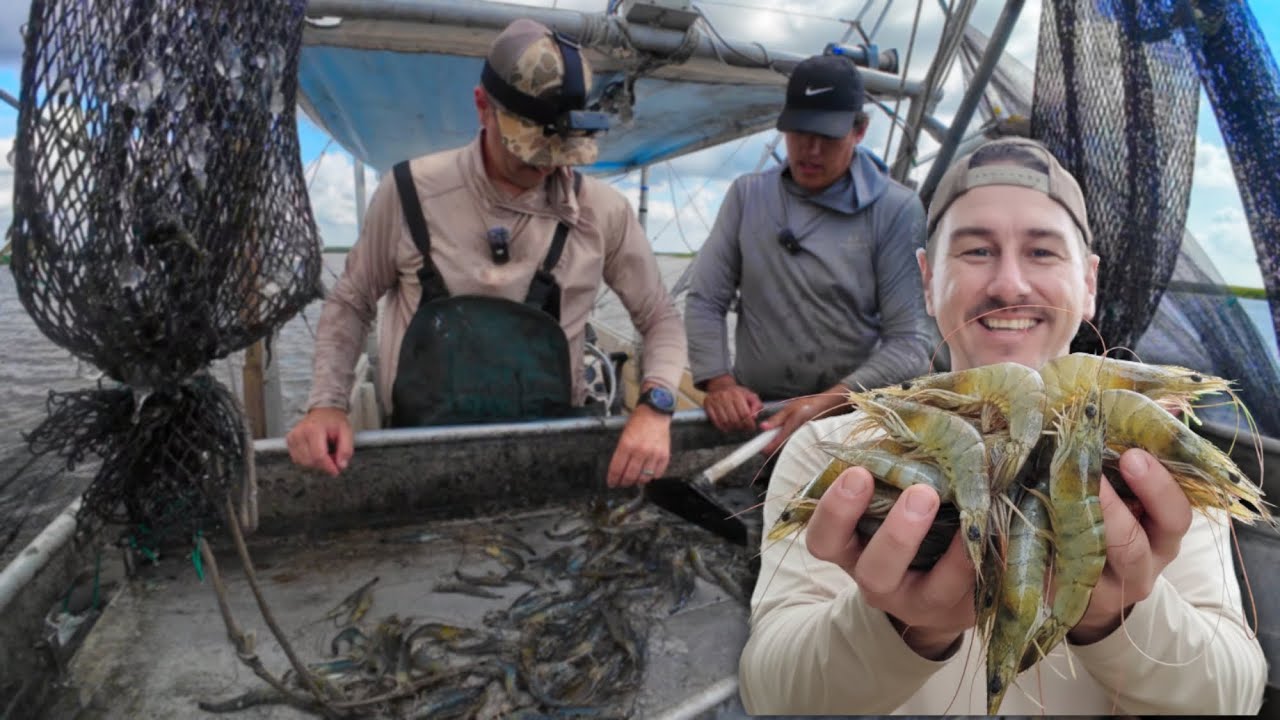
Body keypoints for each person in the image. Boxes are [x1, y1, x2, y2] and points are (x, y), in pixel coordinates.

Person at [738, 137, 1266, 714]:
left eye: (1042, 253)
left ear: (1088, 283)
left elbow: (1232, 696)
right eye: (975, 252)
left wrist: (1119, 616)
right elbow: (771, 692)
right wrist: (894, 628)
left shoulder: (1158, 455)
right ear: (925, 279)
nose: (1009, 284)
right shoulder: (827, 447)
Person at [286, 19, 687, 488]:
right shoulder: (408, 192)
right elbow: (352, 302)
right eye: (527, 152)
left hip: (554, 456)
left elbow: (659, 316)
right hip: (423, 458)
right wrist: (327, 404)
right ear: (483, 108)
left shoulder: (605, 212)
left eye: (559, 152)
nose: (544, 166)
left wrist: (656, 406)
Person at [683, 53, 932, 456]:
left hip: (846, 419)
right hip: (758, 416)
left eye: (827, 135)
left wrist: (826, 402)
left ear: (859, 131)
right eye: (799, 131)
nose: (810, 150)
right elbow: (706, 300)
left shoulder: (896, 210)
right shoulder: (748, 196)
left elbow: (911, 343)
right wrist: (720, 384)